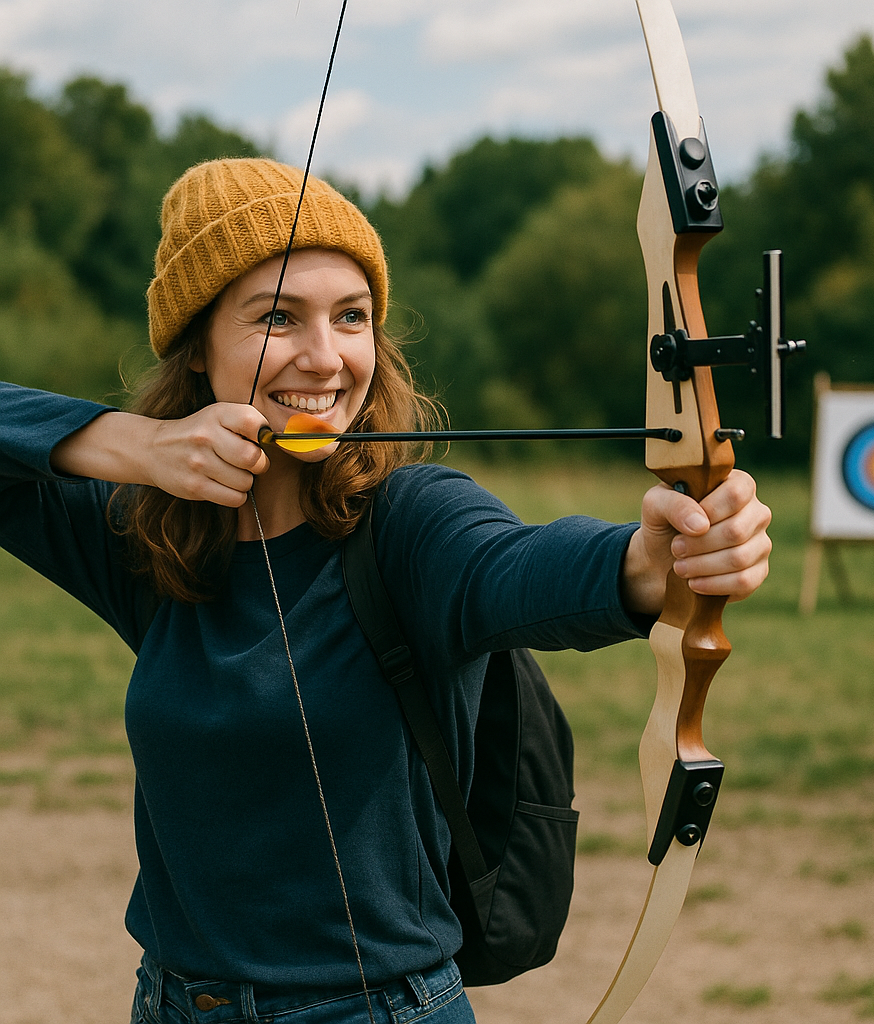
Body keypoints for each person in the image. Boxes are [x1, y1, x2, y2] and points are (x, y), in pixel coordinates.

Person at [0, 158, 771, 1024]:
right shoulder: (151, 533)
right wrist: (129, 446)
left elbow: (509, 567)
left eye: (352, 317)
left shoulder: (410, 521)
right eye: (278, 316)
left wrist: (647, 564)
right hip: (174, 1004)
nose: (324, 357)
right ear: (197, 345)